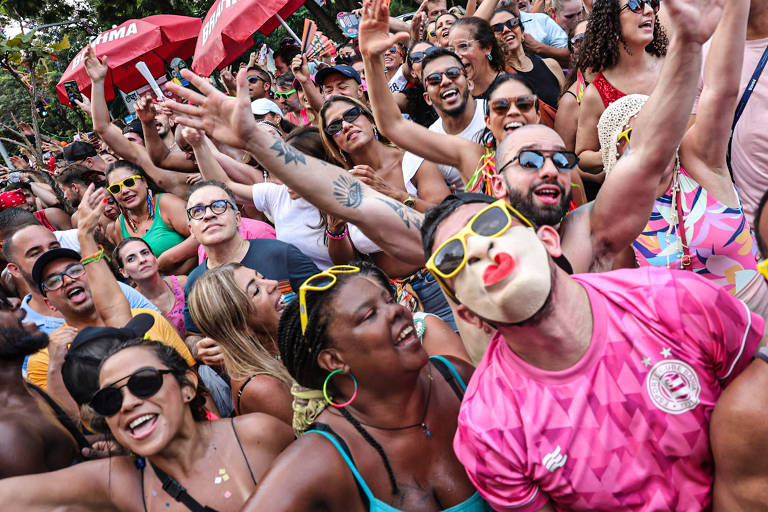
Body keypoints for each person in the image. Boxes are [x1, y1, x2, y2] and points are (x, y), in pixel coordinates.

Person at [420, 191, 764, 511]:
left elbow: (759, 404)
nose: (480, 247)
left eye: (490, 223)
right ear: (468, 314)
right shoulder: (487, 430)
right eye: (452, 257)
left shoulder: (675, 300)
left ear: (549, 240)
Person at [241, 263, 488, 511]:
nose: (397, 311)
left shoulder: (458, 379)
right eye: (369, 315)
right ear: (334, 360)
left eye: (389, 300)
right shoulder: (324, 457)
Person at [594, 0, 768, 317]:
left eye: (658, 124)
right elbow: (620, 301)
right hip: (691, 351)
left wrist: (730, 9)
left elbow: (720, 92)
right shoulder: (619, 217)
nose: (652, 139)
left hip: (757, 325)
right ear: (612, 157)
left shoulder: (698, 162)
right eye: (629, 137)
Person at [0, 339, 294, 511]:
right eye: (110, 400)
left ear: (187, 387)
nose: (127, 403)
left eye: (144, 383)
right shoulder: (119, 481)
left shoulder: (257, 435)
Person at [182, 180, 319, 340]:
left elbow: (323, 303)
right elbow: (194, 335)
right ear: (191, 229)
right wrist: (200, 349)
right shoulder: (196, 282)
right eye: (197, 211)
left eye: (219, 206)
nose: (209, 214)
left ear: (238, 218)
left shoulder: (279, 253)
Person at [81, 45, 199, 198]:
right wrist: (97, 82)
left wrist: (209, 172)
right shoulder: (145, 157)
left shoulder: (195, 146)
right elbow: (103, 127)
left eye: (157, 112)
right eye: (149, 114)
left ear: (171, 119)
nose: (153, 117)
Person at [188, 263, 294, 423]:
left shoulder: (282, 343)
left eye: (262, 277)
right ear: (240, 326)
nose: (273, 284)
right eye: (256, 291)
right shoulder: (263, 387)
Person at [575, 0, 667, 177]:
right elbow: (582, 157)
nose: (648, 11)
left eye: (651, 3)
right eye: (635, 5)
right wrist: (614, 150)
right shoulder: (597, 93)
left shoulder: (673, 66)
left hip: (686, 192)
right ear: (612, 23)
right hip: (634, 194)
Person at [0, 289, 83, 476]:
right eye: (1, 304)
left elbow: (70, 449)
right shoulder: (8, 435)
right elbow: (58, 502)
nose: (15, 302)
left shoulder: (25, 388)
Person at [106, 160, 197, 273]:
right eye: (115, 189)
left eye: (129, 182)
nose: (124, 191)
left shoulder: (166, 203)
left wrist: (169, 258)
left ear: (144, 181)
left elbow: (201, 233)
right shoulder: (121, 224)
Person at [490, 8, 565, 123]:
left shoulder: (551, 65)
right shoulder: (499, 78)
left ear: (522, 31)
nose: (506, 29)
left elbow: (569, 110)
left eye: (513, 23)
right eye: (497, 28)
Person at [114, 237, 187, 336]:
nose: (142, 260)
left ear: (155, 258)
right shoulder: (132, 306)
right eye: (131, 259)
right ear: (123, 272)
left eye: (145, 253)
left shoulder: (183, 284)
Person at [446, 17, 506, 99]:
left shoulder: (509, 88)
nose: (456, 55)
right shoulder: (456, 94)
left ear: (487, 48)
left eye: (463, 46)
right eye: (451, 50)